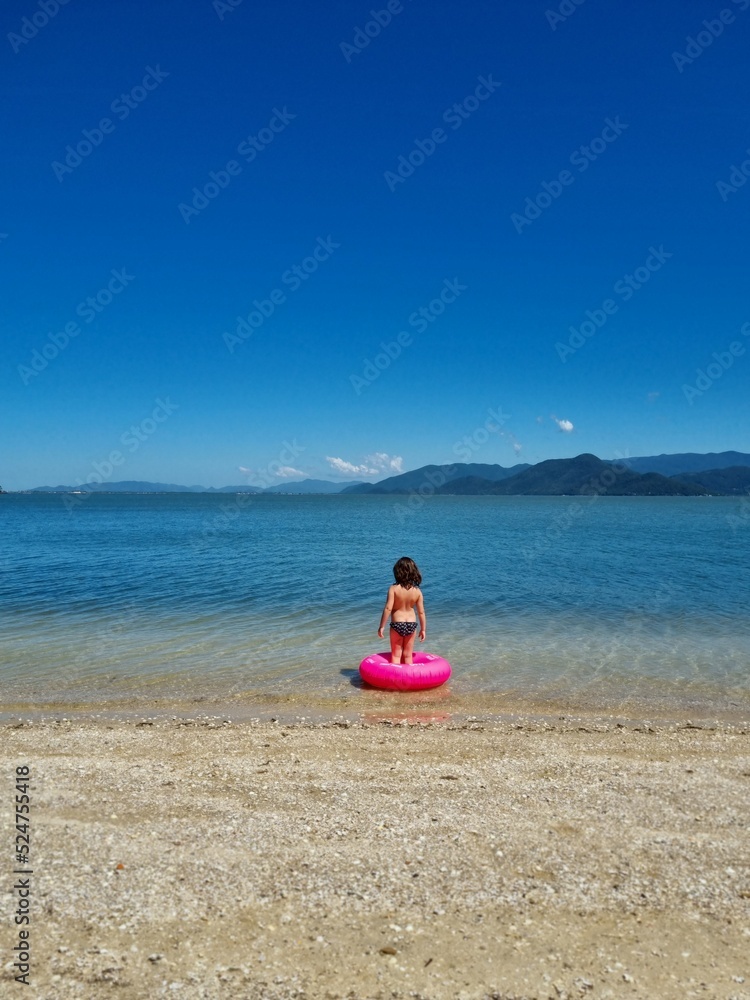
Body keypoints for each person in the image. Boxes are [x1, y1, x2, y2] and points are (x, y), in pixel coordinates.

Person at [377, 557, 426, 665]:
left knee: (396, 654)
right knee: (408, 655)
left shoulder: (393, 589)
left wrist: (382, 626)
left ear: (397, 572)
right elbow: (421, 612)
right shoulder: (417, 591)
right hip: (412, 624)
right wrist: (423, 629)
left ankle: (395, 680)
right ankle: (409, 679)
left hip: (397, 624)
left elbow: (388, 608)